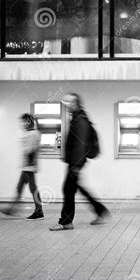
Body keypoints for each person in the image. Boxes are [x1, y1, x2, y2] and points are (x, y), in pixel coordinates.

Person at [49, 93, 110, 231]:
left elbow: (80, 145)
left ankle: (66, 221)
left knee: (68, 189)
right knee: (75, 189)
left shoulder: (80, 121)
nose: (67, 106)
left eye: (69, 103)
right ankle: (100, 211)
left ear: (75, 103)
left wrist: (76, 165)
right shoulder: (77, 118)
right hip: (75, 162)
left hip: (76, 162)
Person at [0, 114, 44, 220]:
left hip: (29, 166)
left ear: (28, 122)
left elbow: (32, 150)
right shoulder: (33, 133)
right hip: (27, 166)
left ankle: (39, 211)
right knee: (21, 188)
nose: (22, 124)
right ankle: (12, 209)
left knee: (33, 188)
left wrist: (29, 165)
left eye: (24, 122)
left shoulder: (32, 134)